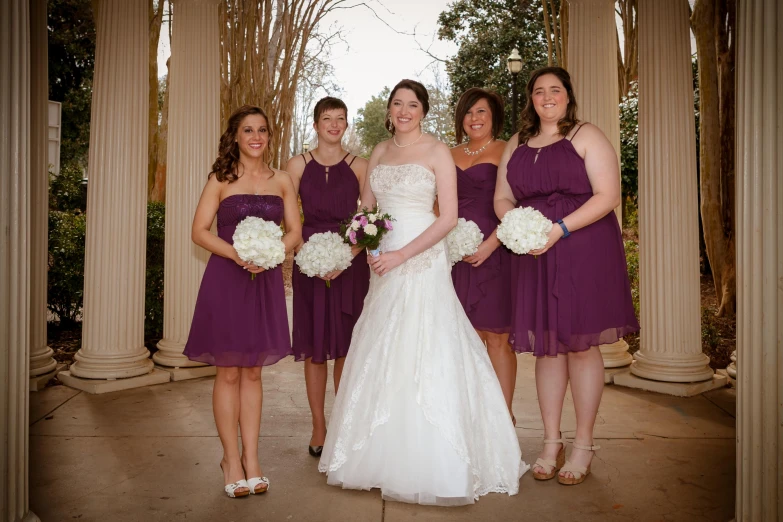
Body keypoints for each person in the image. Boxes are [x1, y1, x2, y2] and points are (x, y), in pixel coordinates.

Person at [318, 79, 528, 506]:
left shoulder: (436, 152)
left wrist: (402, 256)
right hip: (383, 261)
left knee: (424, 344)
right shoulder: (378, 150)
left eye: (412, 104)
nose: (403, 111)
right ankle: (379, 454)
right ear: (389, 110)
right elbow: (366, 213)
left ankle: (435, 459)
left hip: (422, 255)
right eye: (397, 103)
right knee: (383, 346)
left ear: (424, 111)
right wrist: (348, 251)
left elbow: (448, 217)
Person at [494, 67, 639, 485]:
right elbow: (502, 197)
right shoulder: (518, 143)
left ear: (567, 96)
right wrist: (518, 224)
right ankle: (552, 441)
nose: (547, 97)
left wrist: (558, 229)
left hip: (583, 249)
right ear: (531, 100)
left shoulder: (586, 135)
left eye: (554, 90)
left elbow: (608, 196)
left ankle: (584, 444)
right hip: (535, 252)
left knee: (579, 346)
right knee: (548, 348)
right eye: (539, 91)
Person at [184, 105, 302, 498]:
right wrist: (237, 254)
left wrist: (272, 251)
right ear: (235, 135)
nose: (256, 136)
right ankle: (230, 459)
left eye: (262, 130)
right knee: (229, 372)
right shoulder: (220, 179)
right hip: (226, 278)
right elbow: (199, 232)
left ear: (270, 136)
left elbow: (295, 233)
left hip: (263, 281)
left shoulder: (283, 180)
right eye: (248, 130)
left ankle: (253, 459)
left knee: (253, 372)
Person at [285, 97, 370, 458]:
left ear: (346, 124)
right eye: (326, 119)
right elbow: (288, 218)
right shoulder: (296, 165)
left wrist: (347, 257)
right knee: (316, 350)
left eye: (340, 119)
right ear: (316, 124)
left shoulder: (361, 166)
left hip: (350, 264)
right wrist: (306, 255)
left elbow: (370, 220)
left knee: (346, 350)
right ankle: (319, 425)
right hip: (310, 265)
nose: (334, 125)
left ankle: (344, 424)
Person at [449, 88, 517, 422]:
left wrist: (492, 244)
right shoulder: (448, 154)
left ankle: (503, 418)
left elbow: (518, 204)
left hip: (495, 250)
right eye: (468, 113)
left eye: (482, 112)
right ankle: (475, 420)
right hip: (456, 257)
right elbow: (438, 204)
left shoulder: (507, 149)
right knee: (467, 337)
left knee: (497, 336)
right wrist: (449, 243)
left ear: (494, 117)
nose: (474, 119)